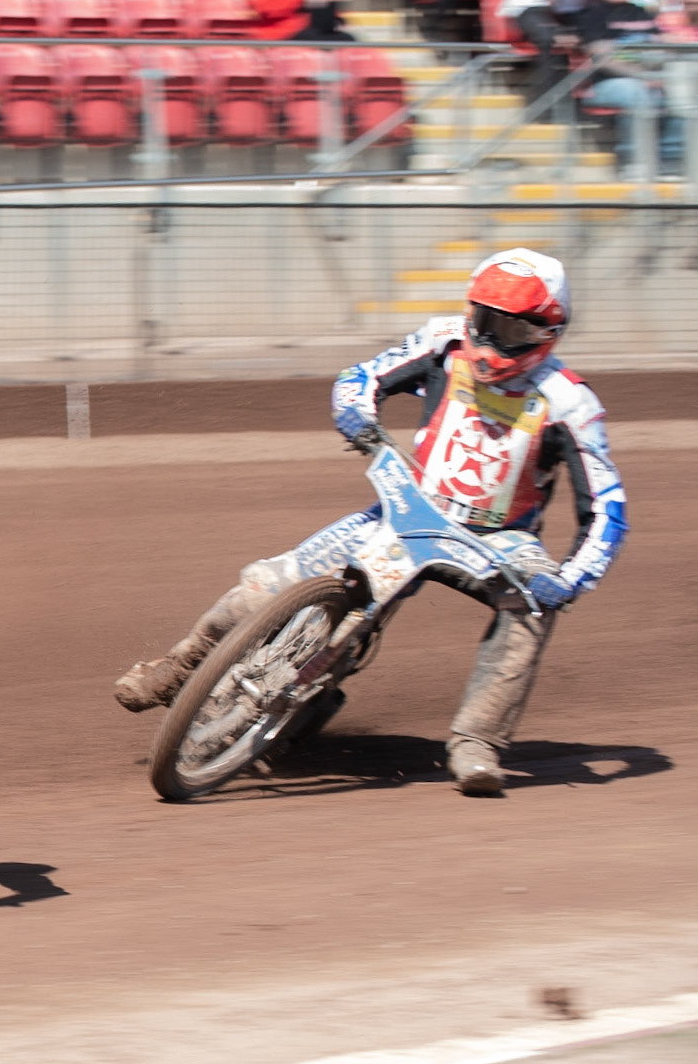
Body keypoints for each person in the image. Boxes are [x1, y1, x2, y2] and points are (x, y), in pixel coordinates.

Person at [113, 249, 627, 797]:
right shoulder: (444, 341)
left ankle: (477, 742)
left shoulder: (570, 402)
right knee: (266, 582)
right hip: (407, 505)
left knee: (529, 607)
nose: (494, 340)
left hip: (502, 539)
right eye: (487, 321)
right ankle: (182, 664)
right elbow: (361, 378)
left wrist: (568, 580)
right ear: (471, 311)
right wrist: (359, 415)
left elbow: (607, 508)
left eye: (514, 330)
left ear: (549, 331)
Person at [578, 0, 685, 177]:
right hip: (605, 85)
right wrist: (645, 76)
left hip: (648, 77)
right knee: (637, 92)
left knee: (682, 90)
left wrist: (661, 72)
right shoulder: (591, 14)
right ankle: (634, 162)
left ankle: (673, 160)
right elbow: (603, 59)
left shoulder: (640, 12)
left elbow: (665, 48)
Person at [497, 0, 590, 102]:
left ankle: (565, 99)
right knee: (549, 41)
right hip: (526, 11)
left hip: (540, 12)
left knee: (571, 39)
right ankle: (542, 100)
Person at [251, 0, 357, 42]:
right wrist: (301, 0)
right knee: (315, 39)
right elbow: (265, 6)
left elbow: (323, 4)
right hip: (284, 33)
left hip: (315, 29)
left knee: (347, 38)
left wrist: (336, 18)